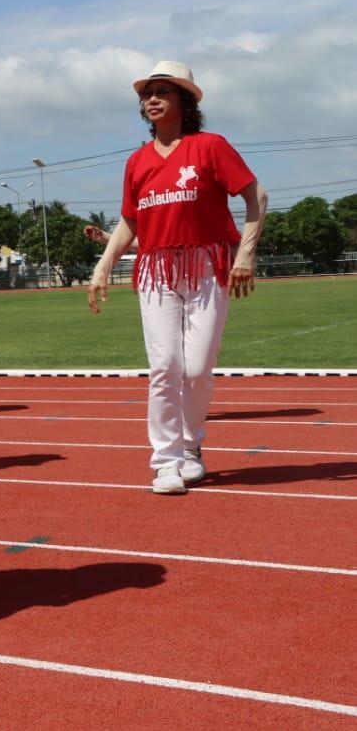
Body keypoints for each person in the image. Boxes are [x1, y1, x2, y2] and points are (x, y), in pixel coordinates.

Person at [88, 61, 267, 494]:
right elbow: (130, 221)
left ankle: (190, 445)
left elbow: (256, 196)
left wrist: (245, 254)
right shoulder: (137, 161)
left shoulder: (210, 147)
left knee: (198, 368)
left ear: (185, 101)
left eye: (163, 91)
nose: (152, 99)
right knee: (165, 366)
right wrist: (103, 265)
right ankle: (166, 462)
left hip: (208, 266)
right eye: (147, 93)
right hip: (156, 271)